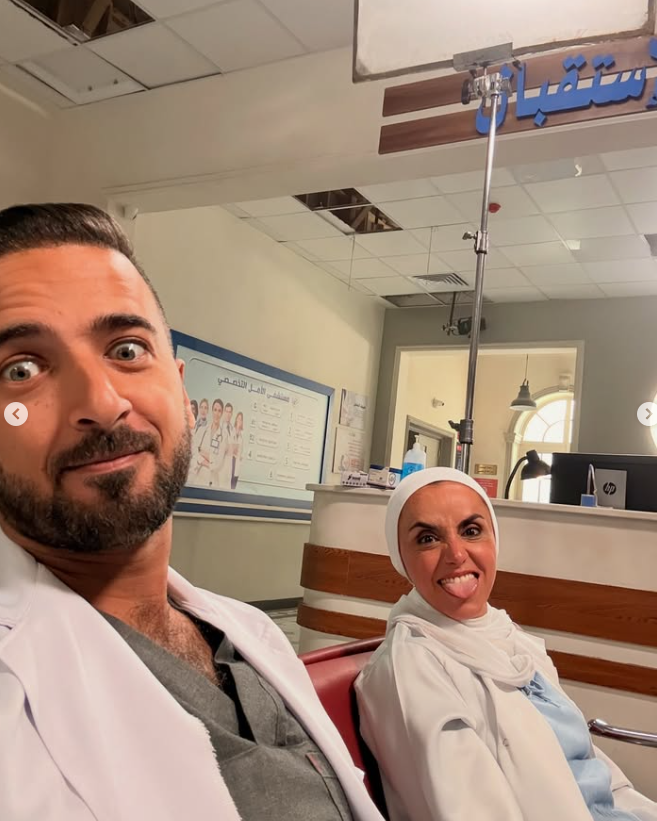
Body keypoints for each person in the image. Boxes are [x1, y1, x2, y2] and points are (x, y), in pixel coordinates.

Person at [0, 203, 384, 821]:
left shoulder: (250, 636)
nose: (101, 401)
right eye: (21, 369)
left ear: (183, 390)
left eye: (127, 349)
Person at [355, 468, 657, 821]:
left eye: (471, 531)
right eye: (428, 539)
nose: (456, 554)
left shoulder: (511, 639)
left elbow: (592, 772)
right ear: (401, 559)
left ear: (494, 540)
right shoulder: (408, 670)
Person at [231, 411, 244, 489]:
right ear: (236, 419)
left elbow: (242, 448)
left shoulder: (242, 433)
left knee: (235, 481)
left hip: (238, 460)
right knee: (230, 479)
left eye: (241, 419)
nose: (239, 420)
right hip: (232, 459)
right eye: (238, 418)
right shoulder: (232, 430)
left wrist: (241, 456)